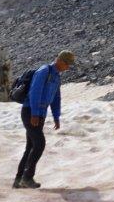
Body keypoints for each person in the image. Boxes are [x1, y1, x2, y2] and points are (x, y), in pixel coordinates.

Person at [14, 50, 76, 189]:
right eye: (67, 64)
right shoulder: (44, 71)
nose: (68, 68)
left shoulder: (56, 77)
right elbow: (34, 93)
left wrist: (56, 116)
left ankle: (18, 180)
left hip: (40, 114)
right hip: (30, 112)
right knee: (39, 144)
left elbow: (56, 98)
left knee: (30, 146)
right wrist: (35, 114)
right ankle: (27, 178)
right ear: (60, 61)